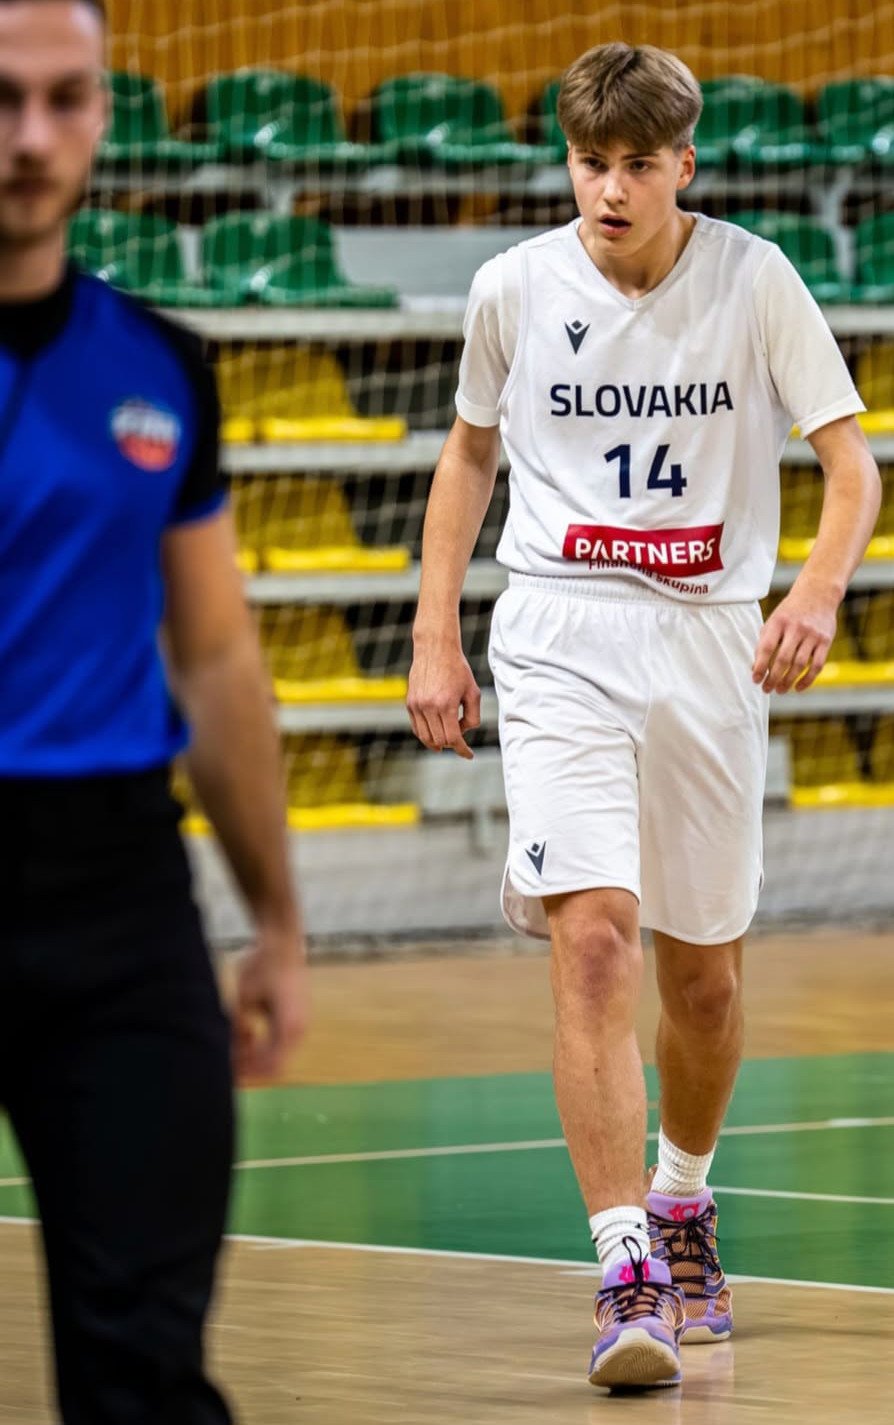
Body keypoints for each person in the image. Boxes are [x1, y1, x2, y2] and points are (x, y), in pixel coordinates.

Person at [407, 41, 880, 1391]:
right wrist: (435, 632)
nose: (608, 190)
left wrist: (814, 593)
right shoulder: (513, 287)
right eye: (587, 163)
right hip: (559, 631)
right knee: (597, 938)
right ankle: (624, 1267)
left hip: (710, 639)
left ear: (684, 163)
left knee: (704, 978)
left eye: (634, 165)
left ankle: (681, 1198)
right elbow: (468, 453)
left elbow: (851, 468)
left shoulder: (755, 279)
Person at [0, 1, 309, 1420]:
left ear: (104, 111)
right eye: (3, 99)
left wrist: (276, 919)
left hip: (118, 898)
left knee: (143, 1364)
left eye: (66, 99)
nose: (31, 138)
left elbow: (219, 655)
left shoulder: (161, 366)